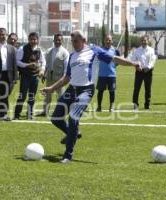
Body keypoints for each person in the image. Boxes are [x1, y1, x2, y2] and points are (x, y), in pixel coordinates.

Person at [40, 30, 141, 163]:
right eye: (72, 41)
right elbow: (67, 78)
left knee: (73, 116)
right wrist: (51, 88)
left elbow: (114, 59)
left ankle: (67, 155)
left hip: (86, 90)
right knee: (55, 118)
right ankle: (74, 133)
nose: (74, 44)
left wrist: (133, 64)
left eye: (76, 41)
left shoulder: (94, 51)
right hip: (72, 89)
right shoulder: (72, 56)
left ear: (84, 40)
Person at [14, 32, 45, 120]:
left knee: (32, 96)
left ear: (38, 40)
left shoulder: (39, 50)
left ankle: (30, 114)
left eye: (35, 39)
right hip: (25, 76)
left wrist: (42, 70)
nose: (33, 41)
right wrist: (27, 65)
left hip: (35, 76)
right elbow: (17, 62)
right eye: (31, 39)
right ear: (28, 39)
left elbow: (43, 61)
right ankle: (16, 114)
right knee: (22, 96)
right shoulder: (22, 48)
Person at [37, 33, 69, 117]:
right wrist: (44, 74)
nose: (57, 41)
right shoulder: (49, 51)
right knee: (47, 95)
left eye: (59, 40)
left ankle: (61, 112)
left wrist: (65, 77)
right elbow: (47, 64)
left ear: (62, 41)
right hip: (49, 76)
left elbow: (66, 67)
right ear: (53, 40)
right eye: (56, 40)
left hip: (60, 78)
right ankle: (45, 111)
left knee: (60, 96)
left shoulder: (65, 52)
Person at [129, 35, 157, 110]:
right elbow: (132, 60)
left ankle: (147, 105)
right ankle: (135, 105)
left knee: (148, 89)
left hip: (148, 72)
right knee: (136, 89)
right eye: (142, 40)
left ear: (148, 41)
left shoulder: (151, 50)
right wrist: (136, 67)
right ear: (140, 41)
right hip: (139, 72)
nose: (144, 42)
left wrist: (148, 68)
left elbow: (153, 60)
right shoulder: (136, 51)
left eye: (145, 40)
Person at [96, 35, 120, 112]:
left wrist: (113, 66)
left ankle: (111, 106)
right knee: (100, 91)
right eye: (107, 40)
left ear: (112, 41)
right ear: (104, 41)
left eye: (109, 40)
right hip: (101, 74)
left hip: (112, 74)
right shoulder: (100, 50)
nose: (108, 41)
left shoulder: (115, 50)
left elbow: (119, 60)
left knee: (112, 91)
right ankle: (99, 106)